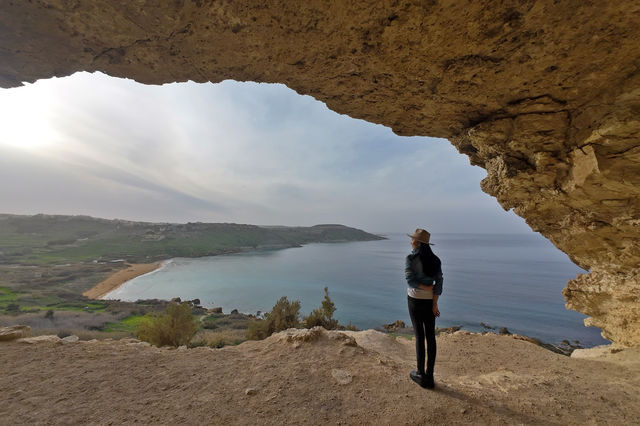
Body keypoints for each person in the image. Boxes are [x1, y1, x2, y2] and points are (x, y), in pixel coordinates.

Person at [405, 228, 443, 389]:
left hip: (414, 301)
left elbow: (410, 281)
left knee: (420, 337)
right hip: (429, 303)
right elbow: (439, 284)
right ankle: (430, 376)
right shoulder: (436, 260)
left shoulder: (410, 258)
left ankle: (420, 373)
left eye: (413, 240)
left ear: (418, 242)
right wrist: (434, 303)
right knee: (431, 337)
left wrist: (425, 288)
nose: (411, 242)